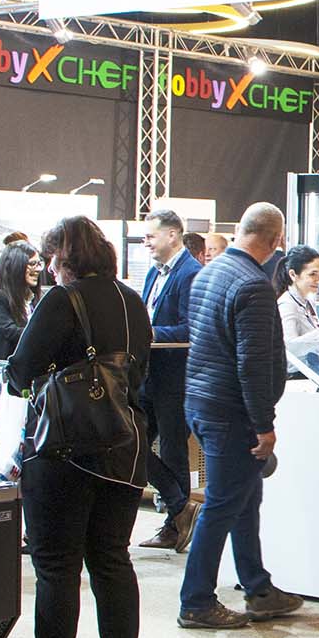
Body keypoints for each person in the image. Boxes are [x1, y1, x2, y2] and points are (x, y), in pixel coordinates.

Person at [0, 216, 152, 638]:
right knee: (112, 561)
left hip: (65, 449)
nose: (47, 268)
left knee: (57, 568)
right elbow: (140, 374)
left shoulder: (62, 300)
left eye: (51, 257)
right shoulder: (132, 300)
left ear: (64, 257)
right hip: (125, 447)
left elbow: (20, 372)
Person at [178, 203, 305, 630]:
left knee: (245, 499)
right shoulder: (254, 286)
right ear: (276, 240)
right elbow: (252, 363)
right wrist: (264, 424)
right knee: (221, 505)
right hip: (231, 412)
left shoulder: (208, 273)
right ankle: (196, 601)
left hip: (201, 404)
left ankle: (258, 588)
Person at [134, 209, 203, 551]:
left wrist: (150, 333)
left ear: (173, 235)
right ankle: (180, 509)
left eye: (151, 236)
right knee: (131, 441)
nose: (146, 242)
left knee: (174, 451)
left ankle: (175, 525)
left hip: (176, 378)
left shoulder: (191, 274)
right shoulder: (153, 272)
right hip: (149, 376)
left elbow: (194, 329)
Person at [275, 244, 319, 361]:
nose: (318, 280)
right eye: (313, 274)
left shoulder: (308, 302)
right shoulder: (287, 304)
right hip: (297, 372)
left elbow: (307, 343)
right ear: (293, 275)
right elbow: (290, 348)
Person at [0, 241, 41, 358]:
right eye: (32, 264)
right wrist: (44, 334)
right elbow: (10, 332)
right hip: (7, 366)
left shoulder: (34, 298)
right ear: (16, 266)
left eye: (39, 264)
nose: (38, 269)